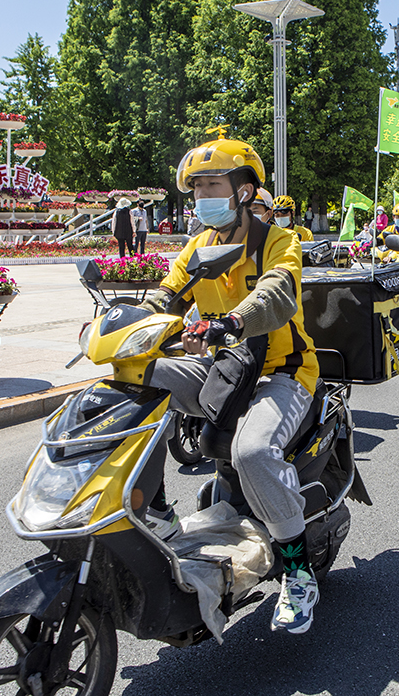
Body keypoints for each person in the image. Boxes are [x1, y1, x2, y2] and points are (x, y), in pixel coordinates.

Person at [141, 131, 321, 634]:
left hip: (281, 371)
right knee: (142, 377)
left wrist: (231, 322)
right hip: (225, 368)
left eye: (214, 185)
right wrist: (124, 319)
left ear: (243, 190)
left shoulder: (277, 241)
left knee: (252, 453)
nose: (203, 199)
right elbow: (168, 294)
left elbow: (277, 292)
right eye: (196, 189)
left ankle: (299, 570)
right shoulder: (198, 246)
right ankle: (155, 510)